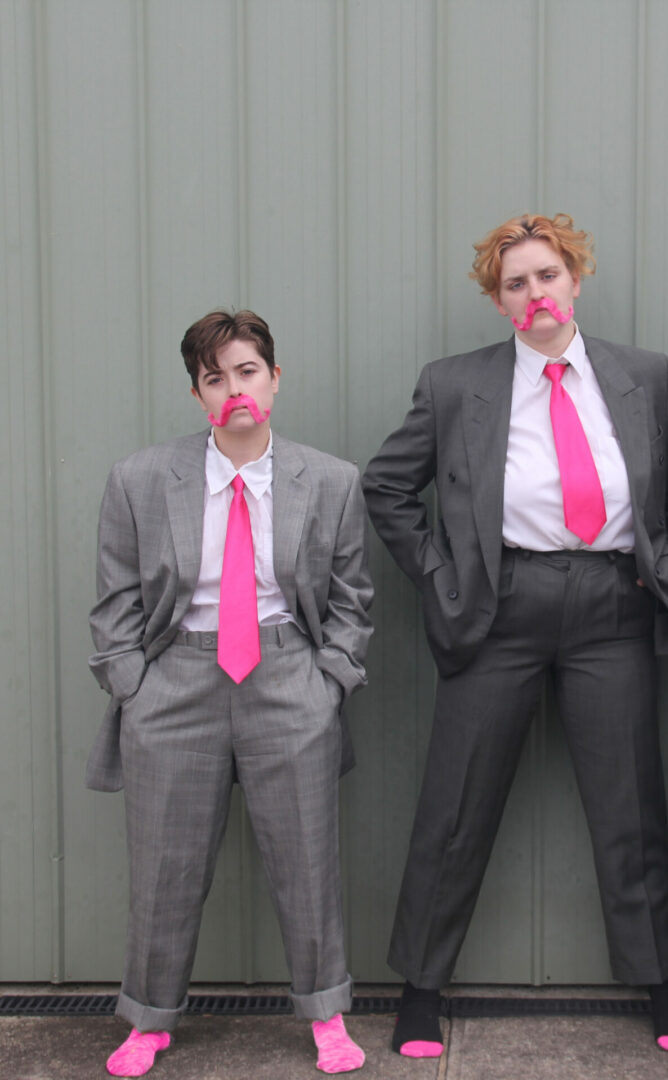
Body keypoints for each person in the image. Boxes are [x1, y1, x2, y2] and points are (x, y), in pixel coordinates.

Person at [362, 213, 668, 1057]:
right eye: (514, 283)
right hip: (497, 609)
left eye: (546, 275)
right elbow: (387, 488)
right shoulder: (455, 385)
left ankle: (662, 985)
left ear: (575, 280)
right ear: (496, 299)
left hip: (612, 606)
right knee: (456, 803)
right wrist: (443, 584)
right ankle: (419, 990)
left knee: (629, 802)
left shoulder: (644, 376)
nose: (534, 294)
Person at [86, 310, 374, 1077]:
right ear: (198, 394)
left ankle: (326, 1016)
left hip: (288, 679)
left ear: (274, 379)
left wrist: (328, 680)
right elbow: (113, 600)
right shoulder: (141, 479)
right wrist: (133, 687)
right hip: (174, 680)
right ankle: (147, 1021)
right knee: (164, 867)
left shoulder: (332, 480)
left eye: (247, 371)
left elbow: (352, 599)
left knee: (307, 860)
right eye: (215, 379)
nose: (234, 389)